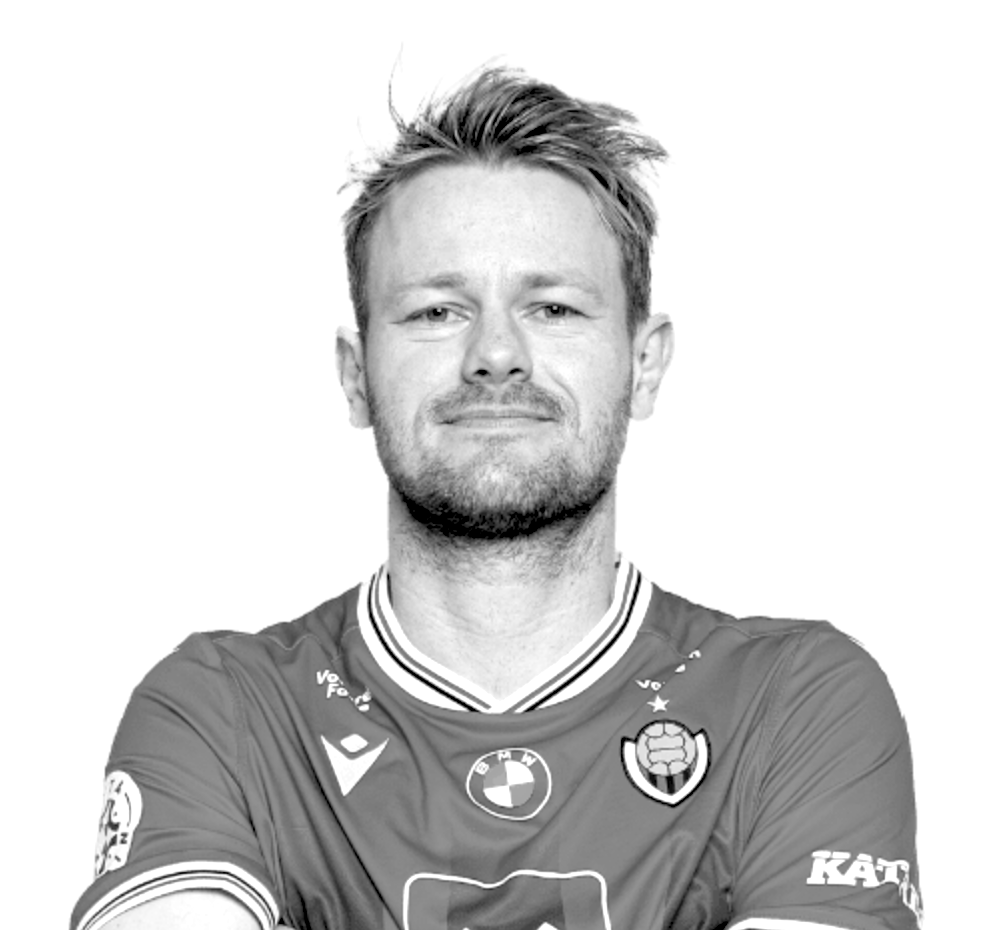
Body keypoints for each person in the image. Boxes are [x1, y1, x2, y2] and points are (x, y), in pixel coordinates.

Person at [71, 67, 922, 930]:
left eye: (553, 308)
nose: (496, 355)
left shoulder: (795, 698)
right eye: (436, 312)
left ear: (645, 365)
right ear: (356, 376)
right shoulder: (222, 707)